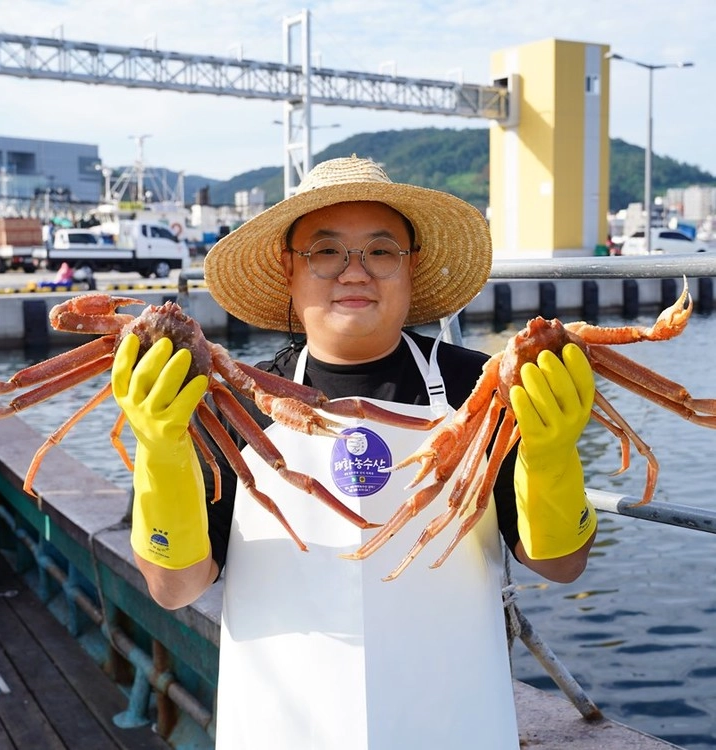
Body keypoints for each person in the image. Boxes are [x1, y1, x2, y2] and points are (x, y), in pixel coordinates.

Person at [111, 156, 597, 749]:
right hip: (281, 727)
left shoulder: (488, 389)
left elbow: (561, 565)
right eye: (326, 251)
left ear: (411, 266)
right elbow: (175, 588)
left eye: (381, 251)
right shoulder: (225, 402)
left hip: (455, 722)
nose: (355, 272)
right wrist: (160, 452)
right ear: (289, 268)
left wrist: (551, 457)